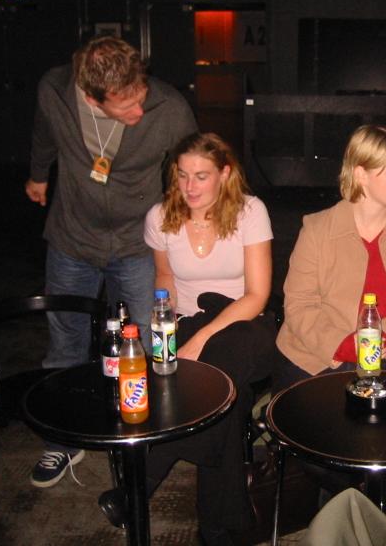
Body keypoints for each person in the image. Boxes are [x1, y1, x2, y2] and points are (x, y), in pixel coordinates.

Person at [24, 35, 197, 487]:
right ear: (90, 96)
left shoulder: (170, 107)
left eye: (141, 97)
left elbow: (196, 164)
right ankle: (63, 440)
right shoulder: (54, 91)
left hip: (137, 242)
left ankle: (151, 439)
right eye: (126, 106)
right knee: (65, 343)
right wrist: (38, 175)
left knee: (150, 341)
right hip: (72, 237)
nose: (140, 111)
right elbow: (44, 134)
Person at [274, 125, 386, 544]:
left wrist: (385, 337)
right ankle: (356, 507)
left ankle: (360, 511)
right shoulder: (318, 228)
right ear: (360, 174)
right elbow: (298, 305)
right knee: (323, 440)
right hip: (318, 355)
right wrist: (348, 345)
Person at [97, 132, 275, 545]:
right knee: (228, 402)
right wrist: (166, 328)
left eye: (201, 176)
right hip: (190, 323)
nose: (189, 187)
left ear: (224, 174)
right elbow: (164, 278)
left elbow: (257, 295)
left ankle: (139, 485)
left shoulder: (250, 212)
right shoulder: (160, 217)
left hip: (246, 326)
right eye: (182, 175)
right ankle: (219, 527)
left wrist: (200, 341)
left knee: (222, 359)